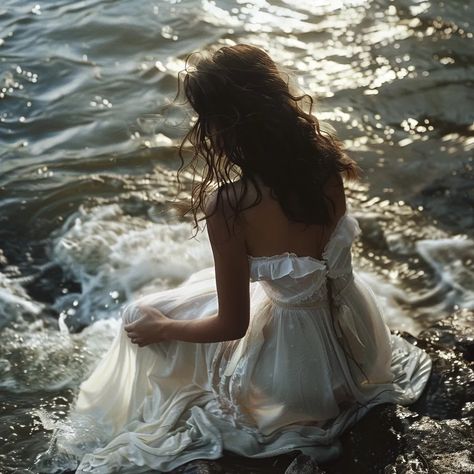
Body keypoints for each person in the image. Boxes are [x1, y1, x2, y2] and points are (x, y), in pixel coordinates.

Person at [68, 44, 432, 473]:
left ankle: (97, 431)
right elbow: (316, 264)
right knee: (189, 296)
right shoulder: (327, 166)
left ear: (219, 126)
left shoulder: (230, 205)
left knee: (142, 315)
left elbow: (231, 324)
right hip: (359, 335)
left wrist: (161, 328)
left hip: (295, 373)